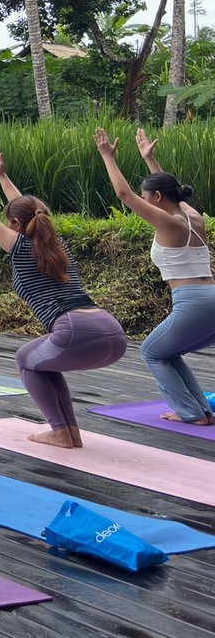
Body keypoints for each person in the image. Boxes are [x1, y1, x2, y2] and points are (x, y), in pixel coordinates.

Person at [0, 144, 126, 447]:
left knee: (24, 358)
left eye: (10, 222)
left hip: (75, 331)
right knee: (41, 362)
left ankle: (60, 430)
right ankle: (69, 432)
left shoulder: (19, 246)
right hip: (112, 331)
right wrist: (2, 177)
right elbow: (28, 208)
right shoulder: (58, 246)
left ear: (15, 225)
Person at [94, 127, 215, 426]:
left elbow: (124, 194)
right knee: (168, 353)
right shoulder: (193, 216)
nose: (145, 202)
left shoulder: (168, 222)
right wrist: (151, 160)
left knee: (151, 352)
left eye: (148, 197)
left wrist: (108, 157)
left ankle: (190, 413)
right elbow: (171, 191)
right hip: (210, 296)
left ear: (157, 198)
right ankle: (202, 412)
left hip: (194, 302)